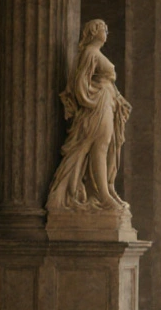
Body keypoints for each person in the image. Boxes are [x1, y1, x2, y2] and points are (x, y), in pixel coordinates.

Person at [46, 19, 131, 212]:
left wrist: (116, 98)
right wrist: (90, 102)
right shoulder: (90, 53)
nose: (106, 32)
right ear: (94, 31)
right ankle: (103, 194)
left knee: (107, 148)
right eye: (104, 28)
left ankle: (106, 190)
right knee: (98, 148)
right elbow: (79, 83)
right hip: (98, 106)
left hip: (106, 103)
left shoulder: (95, 53)